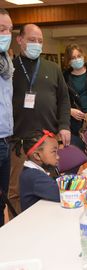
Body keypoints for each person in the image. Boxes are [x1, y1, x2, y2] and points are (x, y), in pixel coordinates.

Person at [9, 24, 71, 215]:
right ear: (20, 40)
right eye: (31, 40)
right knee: (16, 191)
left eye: (40, 41)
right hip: (19, 141)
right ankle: (20, 229)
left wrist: (64, 125)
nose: (37, 44)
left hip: (48, 139)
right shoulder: (10, 69)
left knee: (50, 185)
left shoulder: (52, 68)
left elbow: (64, 100)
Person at [20, 130, 60, 211]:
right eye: (53, 152)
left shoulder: (32, 171)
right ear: (37, 156)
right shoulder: (33, 176)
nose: (58, 157)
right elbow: (60, 194)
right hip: (37, 221)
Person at [0, 8, 14, 226]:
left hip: (6, 138)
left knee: (2, 199)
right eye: (2, 28)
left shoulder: (5, 63)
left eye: (10, 29)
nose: (7, 34)